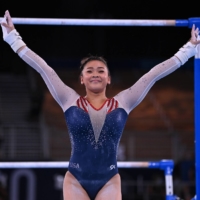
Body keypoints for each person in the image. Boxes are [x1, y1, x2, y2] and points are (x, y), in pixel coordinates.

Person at [1, 10, 200, 200]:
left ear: (109, 78)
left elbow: (152, 76)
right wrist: (13, 38)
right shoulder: (69, 99)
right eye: (89, 71)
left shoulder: (124, 101)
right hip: (75, 180)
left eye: (100, 70)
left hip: (109, 180)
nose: (95, 73)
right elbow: (44, 69)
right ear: (81, 79)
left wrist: (188, 50)